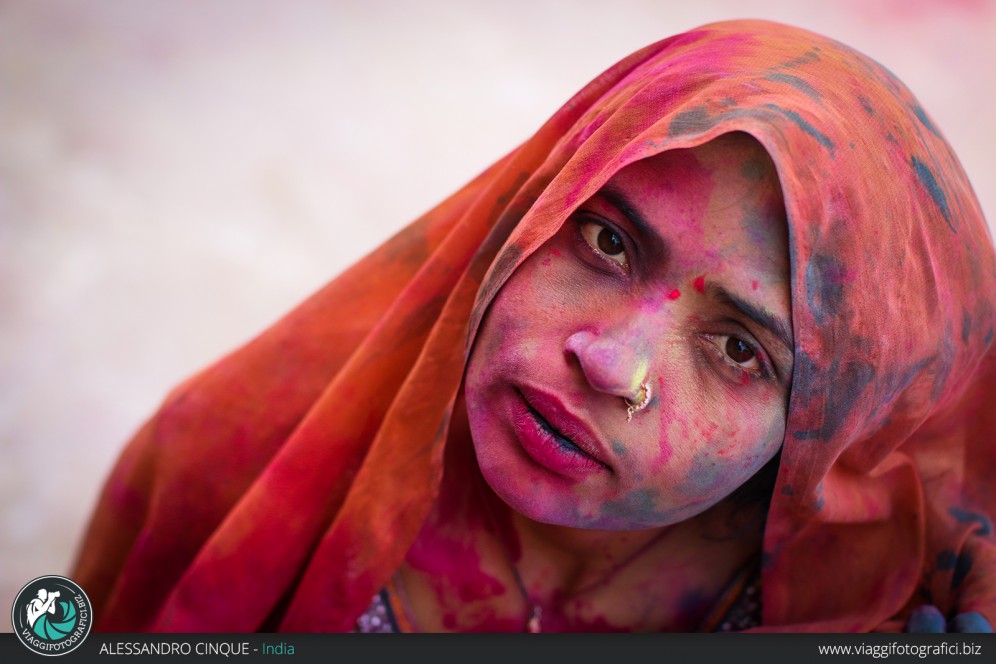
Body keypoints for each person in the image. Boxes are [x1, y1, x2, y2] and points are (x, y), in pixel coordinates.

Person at [70, 18, 995, 633]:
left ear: (827, 432)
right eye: (605, 240)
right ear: (528, 207)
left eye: (739, 349)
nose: (607, 361)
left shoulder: (902, 605)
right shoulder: (228, 479)